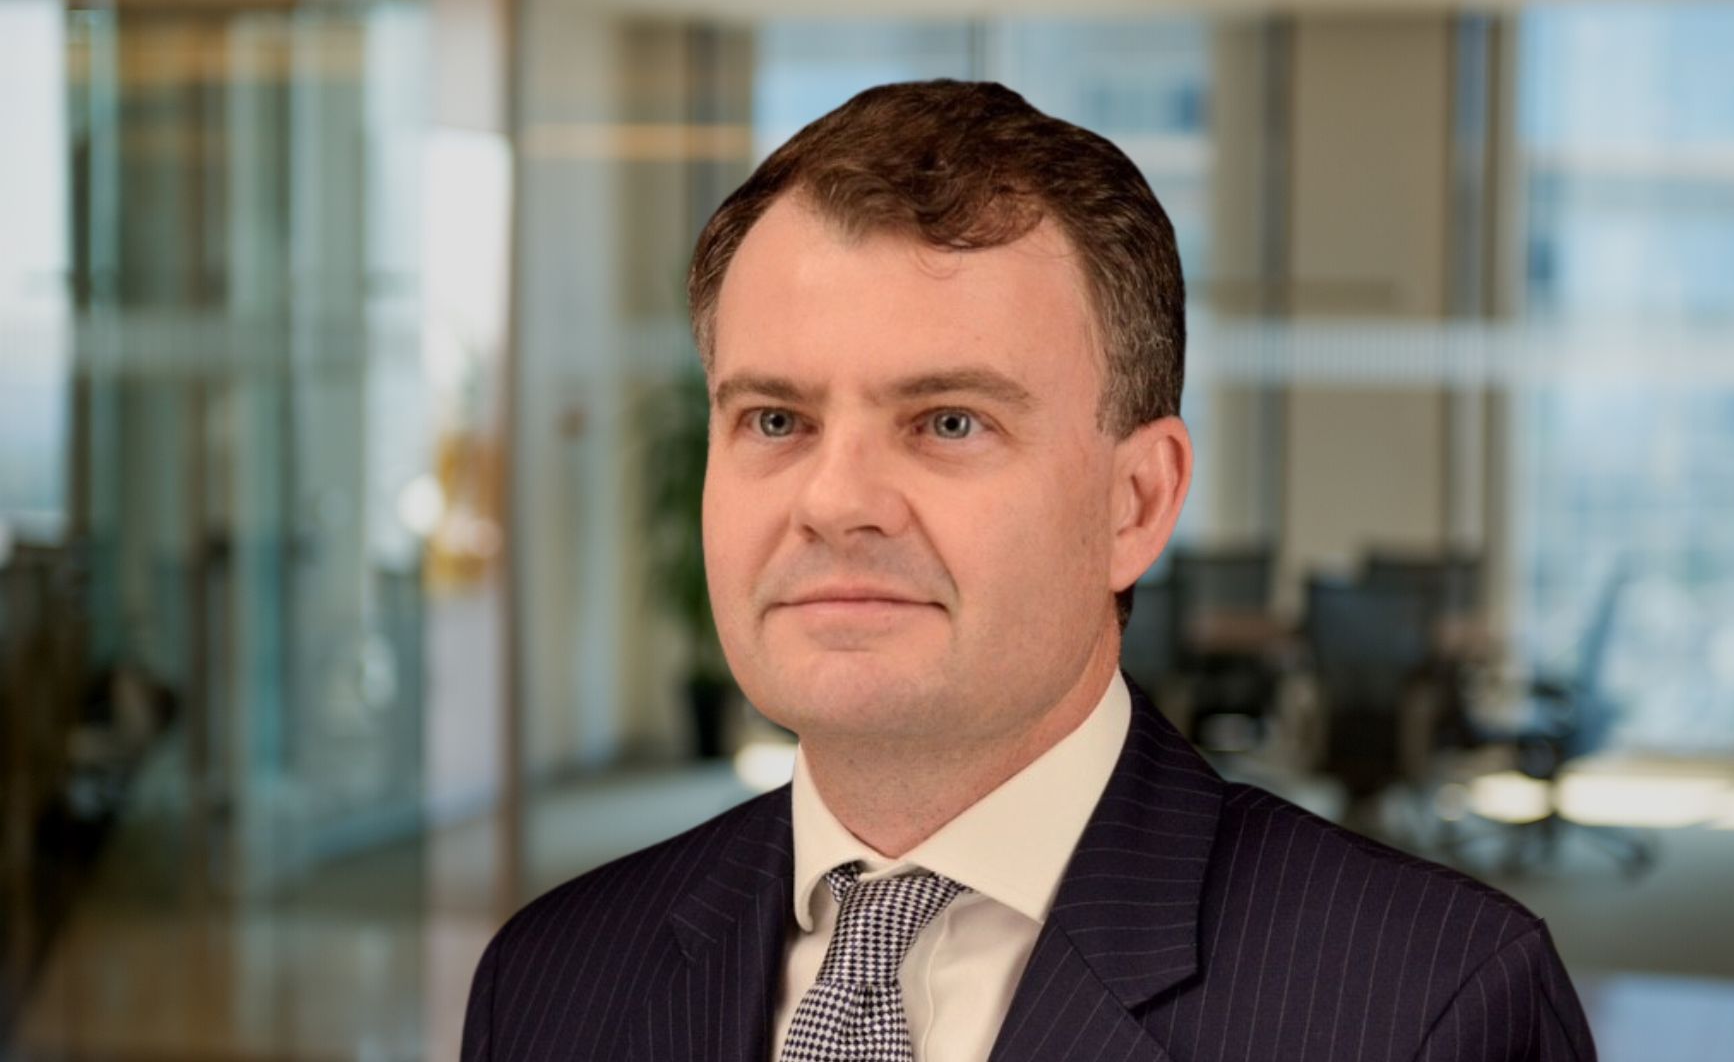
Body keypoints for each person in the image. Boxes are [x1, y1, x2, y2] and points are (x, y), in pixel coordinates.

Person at [461, 79, 1597, 1062]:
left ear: (1135, 502)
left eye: (949, 421)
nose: (836, 502)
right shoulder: (552, 982)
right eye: (775, 420)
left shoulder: (1431, 1004)